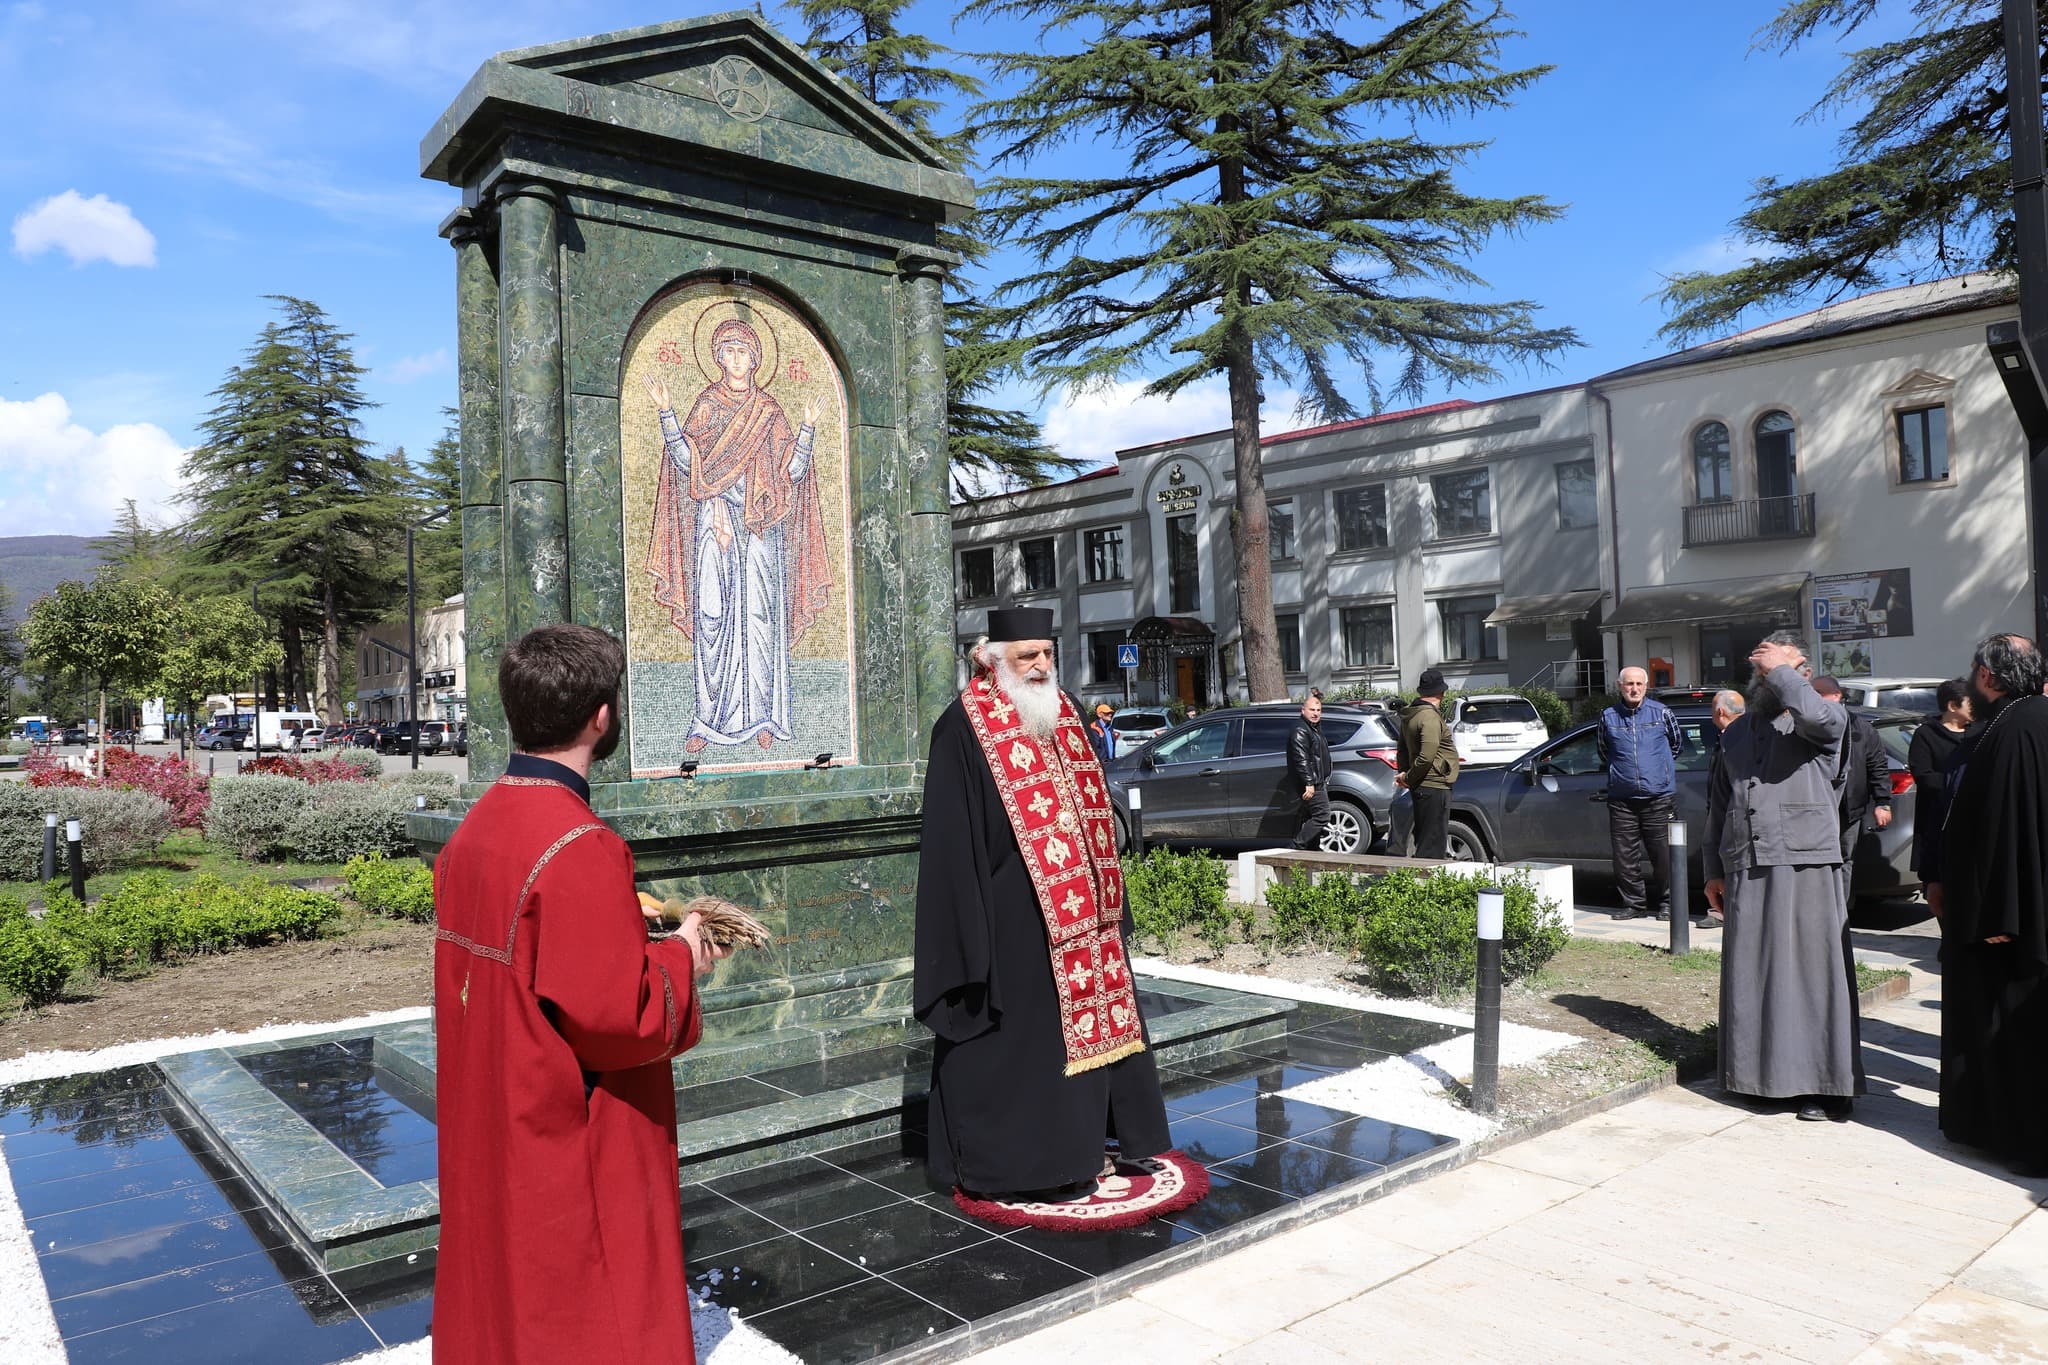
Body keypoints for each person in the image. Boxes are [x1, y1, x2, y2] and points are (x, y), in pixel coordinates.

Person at [432, 624, 728, 1364]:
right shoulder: (582, 845)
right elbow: (620, 1021)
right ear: (602, 715)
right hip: (567, 1132)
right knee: (586, 1305)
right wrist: (685, 952)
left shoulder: (475, 829)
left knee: (502, 1294)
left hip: (494, 1115)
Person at [914, 606, 1172, 1196]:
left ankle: (1089, 1146)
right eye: (1027, 656)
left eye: (1047, 654)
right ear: (991, 659)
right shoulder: (961, 728)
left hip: (1084, 916)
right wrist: (968, 938)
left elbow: (1093, 813)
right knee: (1027, 1051)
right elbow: (952, 846)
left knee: (1087, 1041)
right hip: (1011, 920)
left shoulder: (1068, 711)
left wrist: (1111, 902)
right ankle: (1026, 1162)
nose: (1040, 666)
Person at [643, 318, 833, 756]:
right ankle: (707, 721)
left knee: (760, 621)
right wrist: (667, 413)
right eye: (728, 351)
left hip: (760, 530)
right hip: (715, 522)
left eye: (743, 352)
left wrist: (806, 429)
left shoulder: (769, 412)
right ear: (716, 357)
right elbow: (687, 462)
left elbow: (792, 473)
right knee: (713, 615)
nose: (735, 359)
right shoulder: (707, 405)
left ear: (756, 359)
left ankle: (763, 717)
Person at [1704, 631, 1860, 1122]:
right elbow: (1719, 803)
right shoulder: (1738, 731)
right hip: (1747, 859)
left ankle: (1821, 1085)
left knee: (1812, 976)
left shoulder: (1824, 719)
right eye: (1762, 670)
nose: (1767, 677)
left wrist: (1784, 670)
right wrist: (1712, 868)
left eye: (1780, 669)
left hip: (1806, 859)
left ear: (1803, 674)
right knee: (1756, 974)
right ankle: (1758, 1078)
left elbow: (1817, 716)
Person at [1927, 634, 2048, 1174]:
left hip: (2008, 919)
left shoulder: (2020, 728)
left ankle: (2016, 1136)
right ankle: (1985, 1124)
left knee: (2013, 1031)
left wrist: (2000, 914)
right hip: (2013, 907)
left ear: (1989, 676)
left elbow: (2011, 829)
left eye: (1977, 665)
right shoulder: (2018, 720)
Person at [1597, 667, 1684, 921]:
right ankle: (1634, 905)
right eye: (1629, 684)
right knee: (1625, 857)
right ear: (1619, 686)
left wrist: (1658, 771)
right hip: (1622, 799)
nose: (1634, 689)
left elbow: (1677, 746)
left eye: (1639, 684)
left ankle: (1668, 903)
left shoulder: (1662, 713)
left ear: (1646, 686)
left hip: (1659, 797)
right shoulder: (1608, 717)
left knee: (1664, 855)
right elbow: (1604, 750)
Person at [1810, 674, 1892, 908]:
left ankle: (1841, 911)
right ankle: (1819, 910)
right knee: (1816, 861)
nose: (1814, 700)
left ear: (1837, 696)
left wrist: (1882, 802)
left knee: (1845, 859)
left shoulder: (1860, 727)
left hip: (1849, 808)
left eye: (1819, 695)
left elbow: (1877, 764)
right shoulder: (1806, 727)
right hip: (1815, 808)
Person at [1906, 677, 1972, 916]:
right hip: (1937, 821)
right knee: (1940, 892)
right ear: (1953, 706)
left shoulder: (1977, 733)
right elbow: (1923, 775)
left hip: (1971, 821)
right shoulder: (1926, 735)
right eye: (1970, 702)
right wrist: (1958, 784)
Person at [1397, 668, 1459, 858]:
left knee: (1425, 840)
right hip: (1434, 785)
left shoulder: (1412, 714)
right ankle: (1426, 885)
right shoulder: (1430, 717)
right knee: (1432, 845)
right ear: (1441, 693)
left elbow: (1402, 750)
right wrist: (1408, 777)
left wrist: (1405, 774)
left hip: (1423, 786)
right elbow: (1427, 756)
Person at [1288, 692, 1332, 850]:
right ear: (1303, 710)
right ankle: (1296, 846)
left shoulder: (1314, 728)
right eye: (1312, 710)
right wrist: (1309, 782)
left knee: (1311, 817)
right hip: (1312, 783)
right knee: (1322, 816)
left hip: (1319, 781)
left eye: (1318, 710)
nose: (1315, 713)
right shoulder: (1301, 730)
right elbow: (1301, 759)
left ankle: (1312, 851)